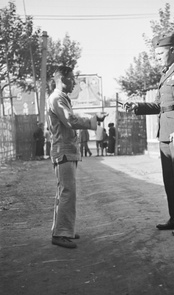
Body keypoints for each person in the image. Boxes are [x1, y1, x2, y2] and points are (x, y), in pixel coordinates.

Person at [124, 32, 174, 237]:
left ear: (172, 49)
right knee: (170, 179)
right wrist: (137, 106)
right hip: (165, 132)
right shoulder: (166, 74)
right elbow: (159, 105)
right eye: (155, 54)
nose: (157, 58)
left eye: (160, 53)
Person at [47, 66, 107, 248]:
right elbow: (70, 121)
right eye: (72, 79)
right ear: (62, 80)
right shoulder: (58, 98)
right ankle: (60, 234)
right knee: (67, 192)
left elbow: (71, 118)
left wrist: (94, 117)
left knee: (65, 191)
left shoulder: (61, 98)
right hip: (63, 151)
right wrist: (93, 121)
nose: (74, 82)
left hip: (66, 150)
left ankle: (64, 230)